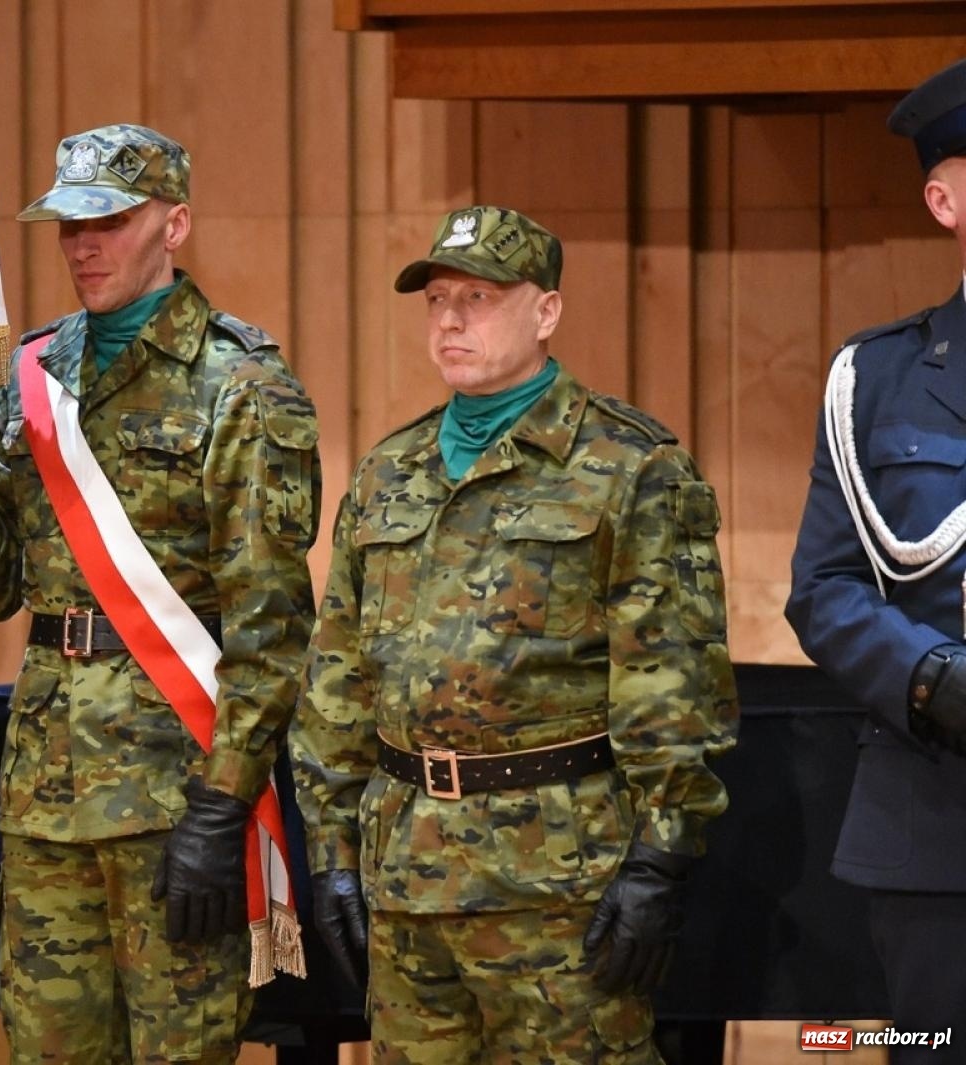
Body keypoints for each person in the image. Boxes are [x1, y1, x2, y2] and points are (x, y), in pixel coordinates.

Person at [0, 124, 320, 1063]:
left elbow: (273, 630)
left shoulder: (243, 382)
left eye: (110, 221)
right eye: (68, 226)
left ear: (175, 224)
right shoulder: (32, 375)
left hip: (176, 794)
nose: (83, 245)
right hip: (47, 792)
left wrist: (222, 805)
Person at [288, 205, 738, 1062]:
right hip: (407, 880)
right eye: (437, 300)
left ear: (547, 311)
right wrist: (333, 850)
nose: (451, 320)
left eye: (480, 297)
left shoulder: (631, 466)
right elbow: (338, 677)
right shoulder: (388, 471)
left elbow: (673, 684)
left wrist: (660, 860)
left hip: (558, 886)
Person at [785, 57, 966, 1062]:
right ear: (944, 201)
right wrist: (933, 680)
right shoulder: (879, 377)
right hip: (940, 823)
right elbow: (825, 588)